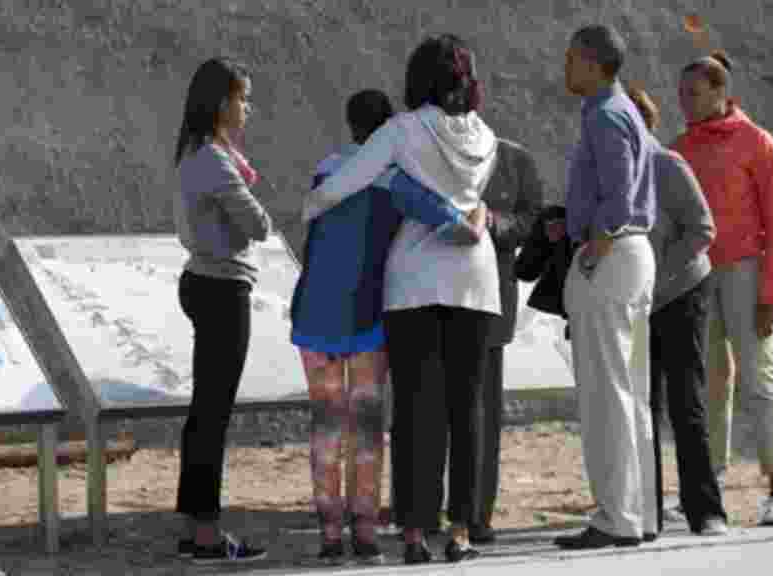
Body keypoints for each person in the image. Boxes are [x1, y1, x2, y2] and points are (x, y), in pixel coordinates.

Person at [302, 34, 500, 565]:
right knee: (468, 409)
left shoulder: (401, 130)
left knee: (415, 410)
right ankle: (461, 530)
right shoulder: (487, 137)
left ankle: (414, 532)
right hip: (476, 282)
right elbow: (475, 205)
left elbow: (348, 182)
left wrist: (312, 205)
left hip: (415, 278)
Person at [673, 50, 773, 526]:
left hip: (746, 273)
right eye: (681, 94)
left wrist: (771, 293)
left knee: (759, 380)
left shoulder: (757, 143)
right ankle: (707, 486)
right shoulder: (680, 148)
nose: (684, 102)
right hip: (697, 275)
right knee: (710, 383)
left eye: (694, 94)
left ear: (721, 93)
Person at [553, 24, 658, 550]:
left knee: (606, 394)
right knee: (629, 392)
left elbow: (616, 194)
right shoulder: (622, 112)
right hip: (631, 255)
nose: (565, 67)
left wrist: (594, 244)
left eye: (572, 58)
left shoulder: (606, 115)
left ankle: (617, 517)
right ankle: (638, 514)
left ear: (593, 63)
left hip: (612, 256)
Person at [172, 56, 271, 564]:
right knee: (214, 414)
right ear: (219, 103)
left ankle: (196, 525)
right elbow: (259, 226)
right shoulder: (215, 158)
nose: (247, 108)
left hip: (204, 282)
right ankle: (207, 532)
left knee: (204, 412)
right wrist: (249, 215)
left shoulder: (198, 153)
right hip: (222, 287)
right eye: (241, 98)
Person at [626, 86, 728, 537]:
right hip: (636, 300)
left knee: (686, 402)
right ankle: (646, 512)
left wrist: (654, 276)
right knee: (641, 405)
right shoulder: (610, 171)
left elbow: (702, 229)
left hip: (682, 292)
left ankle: (705, 511)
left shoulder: (667, 165)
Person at [431, 138, 544, 544]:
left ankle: (476, 513)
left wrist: (493, 223)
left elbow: (531, 220)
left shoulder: (515, 160)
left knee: (480, 411)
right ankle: (424, 511)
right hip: (431, 295)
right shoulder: (425, 147)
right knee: (426, 408)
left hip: (489, 300)